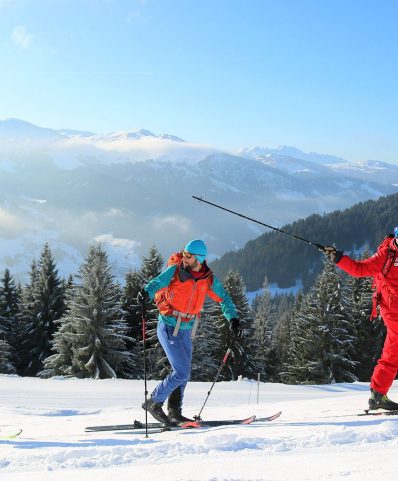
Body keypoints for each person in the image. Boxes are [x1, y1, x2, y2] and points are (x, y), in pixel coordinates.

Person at [138, 239, 242, 425]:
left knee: (183, 372)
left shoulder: (207, 279)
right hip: (169, 326)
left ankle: (174, 412)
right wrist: (145, 292)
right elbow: (158, 282)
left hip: (186, 329)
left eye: (188, 255)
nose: (184, 257)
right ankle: (154, 402)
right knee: (181, 371)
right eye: (184, 253)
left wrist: (233, 319)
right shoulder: (176, 271)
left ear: (199, 259)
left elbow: (224, 298)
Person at [324, 226, 398, 411]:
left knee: (392, 352)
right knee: (394, 350)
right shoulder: (386, 256)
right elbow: (360, 269)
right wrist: (339, 258)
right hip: (393, 309)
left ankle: (378, 394)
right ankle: (378, 394)